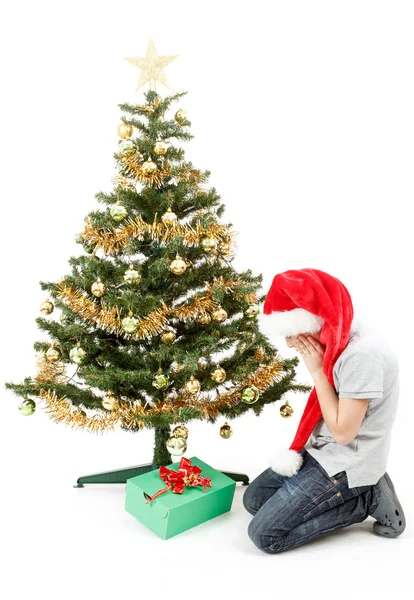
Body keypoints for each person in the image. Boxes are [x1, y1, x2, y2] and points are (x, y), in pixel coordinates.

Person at [243, 268, 406, 553]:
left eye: (292, 333)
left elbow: (343, 434)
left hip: (347, 461)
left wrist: (317, 372)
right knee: (253, 500)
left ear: (315, 320)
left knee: (265, 536)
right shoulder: (336, 337)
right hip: (321, 449)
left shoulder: (361, 356)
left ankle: (366, 497)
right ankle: (357, 490)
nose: (290, 343)